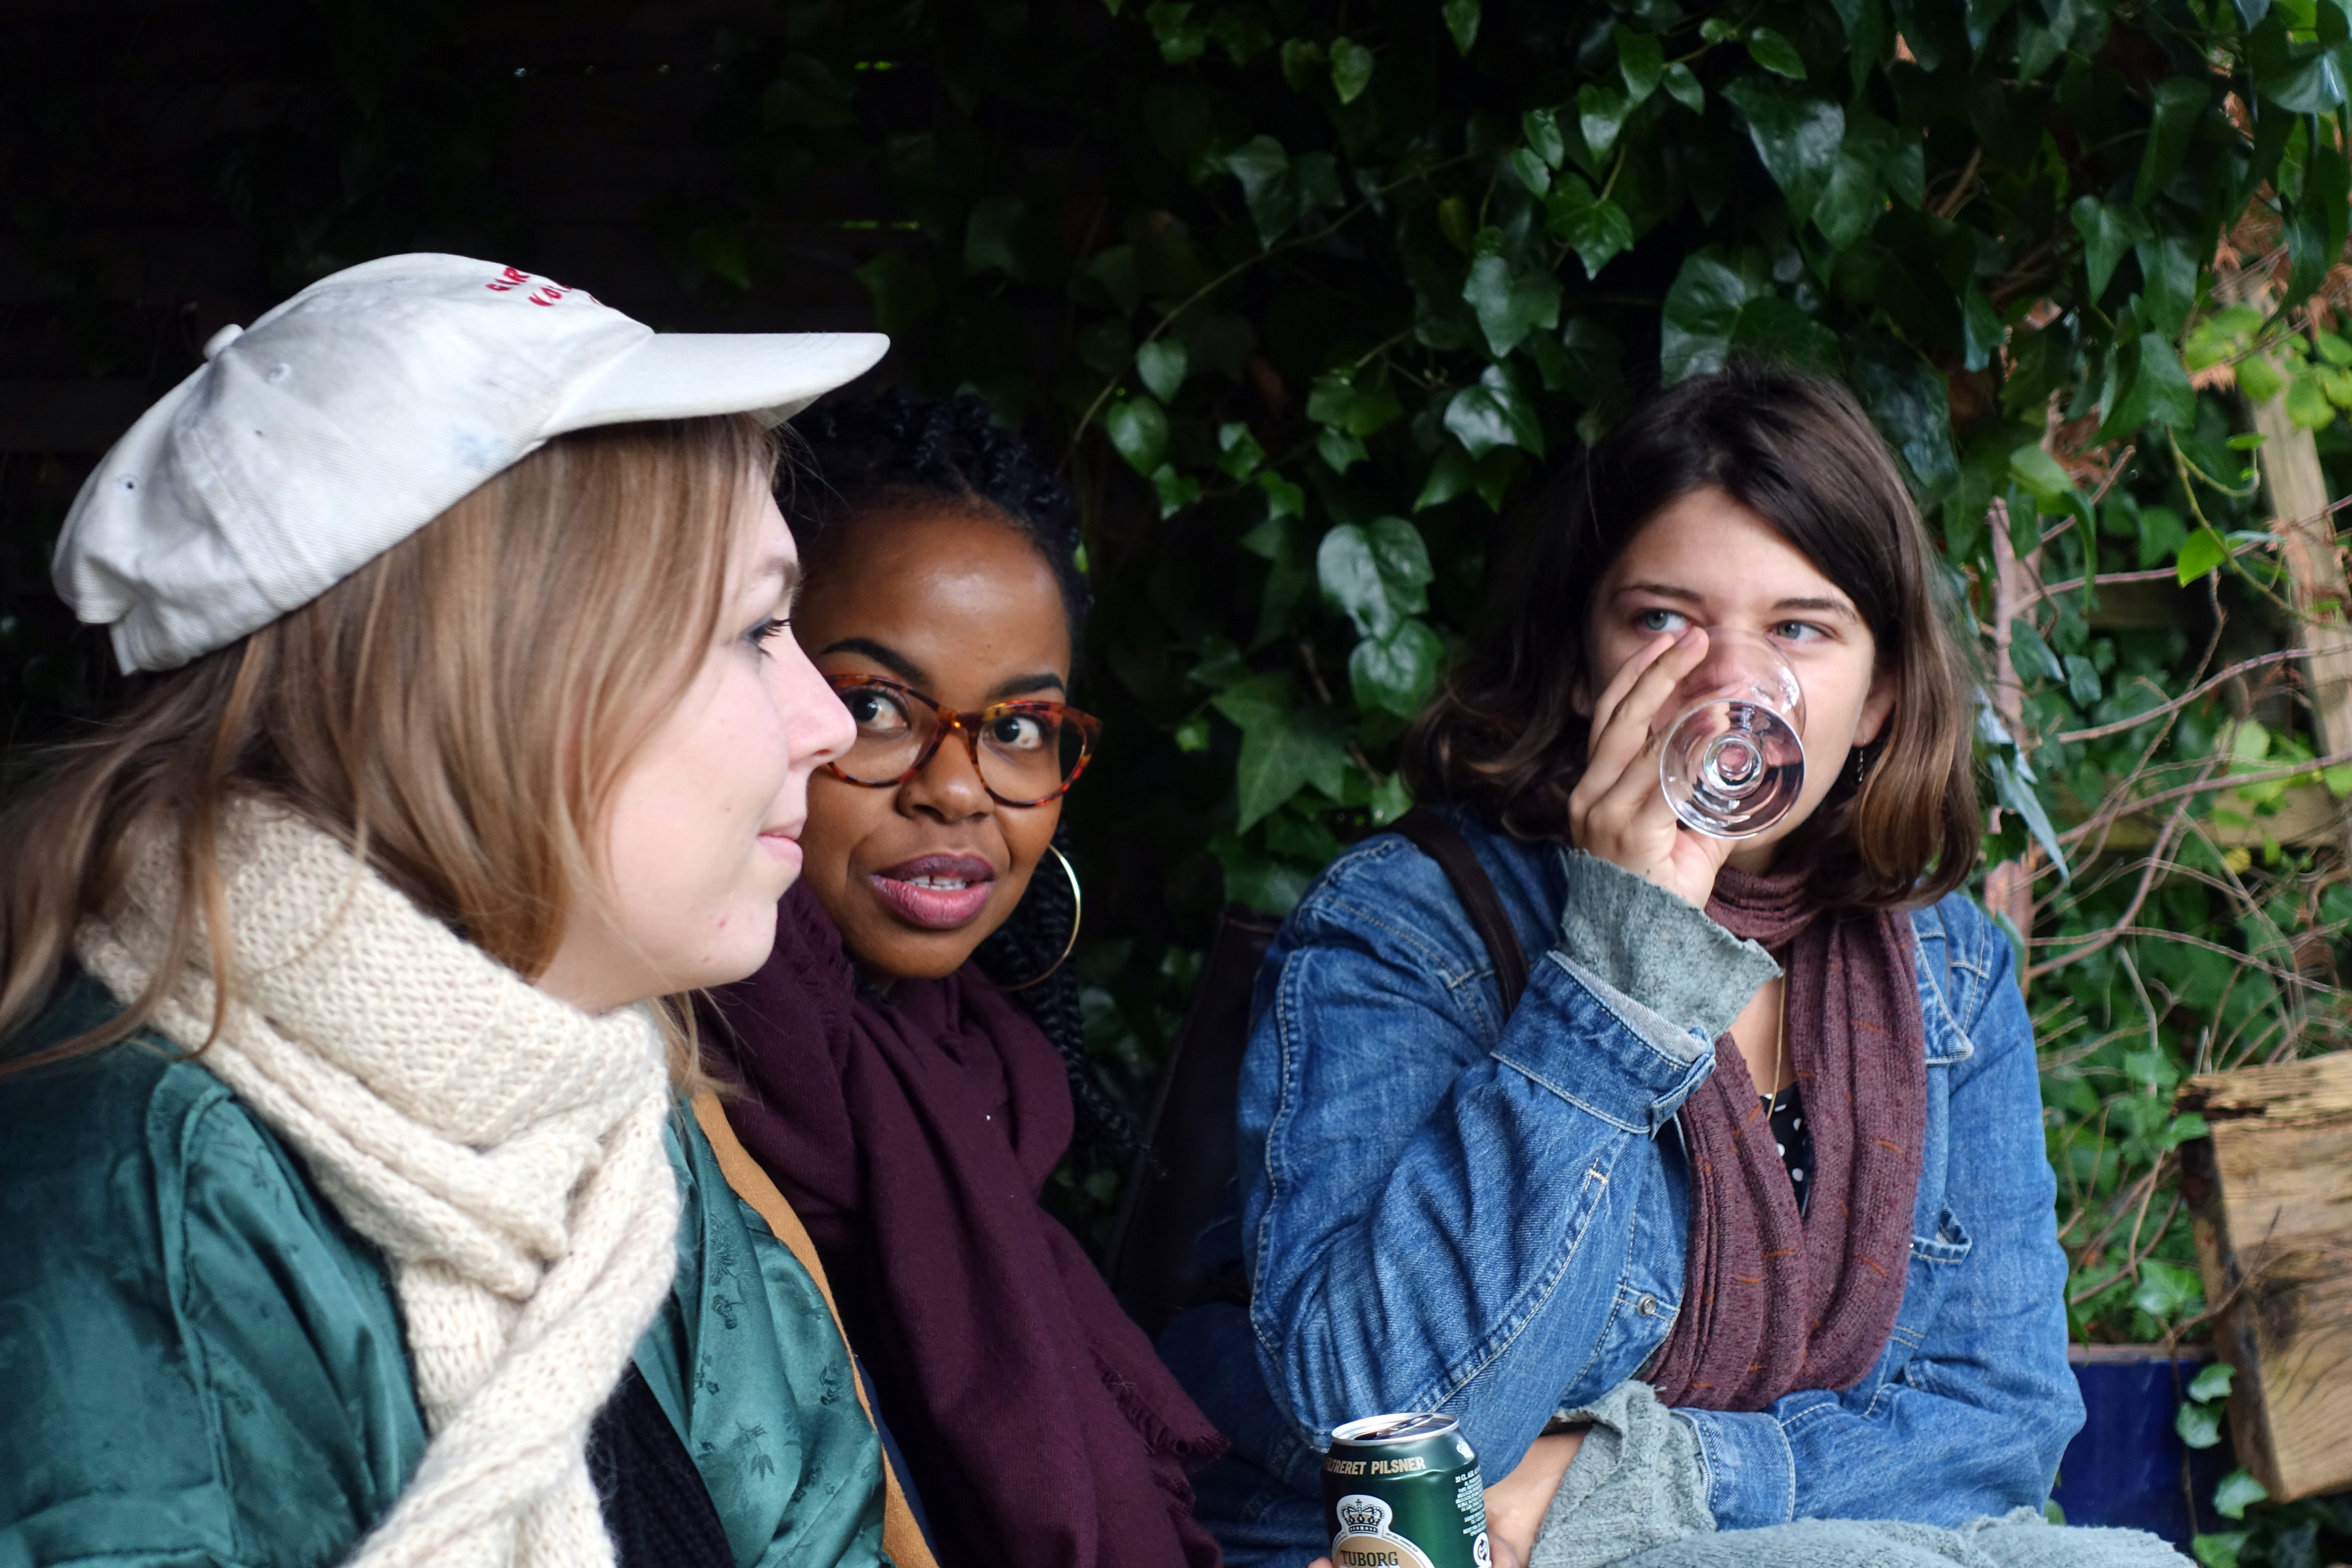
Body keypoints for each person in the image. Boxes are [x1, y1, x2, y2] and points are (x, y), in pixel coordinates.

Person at [1160, 365, 2183, 1568]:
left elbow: (2000, 1427)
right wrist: (1618, 968)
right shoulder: (1409, 924)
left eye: (1799, 628)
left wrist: (1640, 1478)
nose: (1729, 686)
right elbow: (1390, 1426)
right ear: (1582, 660)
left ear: (1878, 695)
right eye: (1663, 620)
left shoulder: (1948, 967)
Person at [0, 254, 925, 1568]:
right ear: (502, 677)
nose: (828, 723)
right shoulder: (137, 1200)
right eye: (754, 631)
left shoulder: (601, 1117)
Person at [705, 391, 1227, 1568]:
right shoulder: (672, 1074)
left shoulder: (983, 1085)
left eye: (1020, 727)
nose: (957, 788)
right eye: (875, 707)